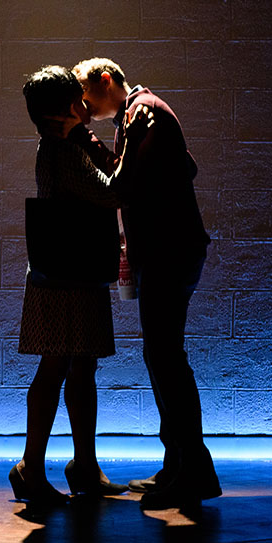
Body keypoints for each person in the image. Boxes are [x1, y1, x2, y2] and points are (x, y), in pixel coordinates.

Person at [72, 58, 221, 510]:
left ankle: (192, 471)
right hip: (166, 252)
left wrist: (83, 137)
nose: (82, 105)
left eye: (85, 95)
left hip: (169, 252)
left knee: (167, 359)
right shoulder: (136, 116)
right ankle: (179, 465)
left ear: (105, 80)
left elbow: (126, 185)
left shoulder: (144, 112)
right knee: (162, 356)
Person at [11, 65, 151, 504]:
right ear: (63, 109)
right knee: (60, 368)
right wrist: (135, 144)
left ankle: (77, 466)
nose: (86, 105)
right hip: (69, 277)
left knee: (75, 367)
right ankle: (34, 467)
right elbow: (112, 192)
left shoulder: (60, 144)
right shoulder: (63, 152)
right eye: (78, 99)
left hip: (66, 272)